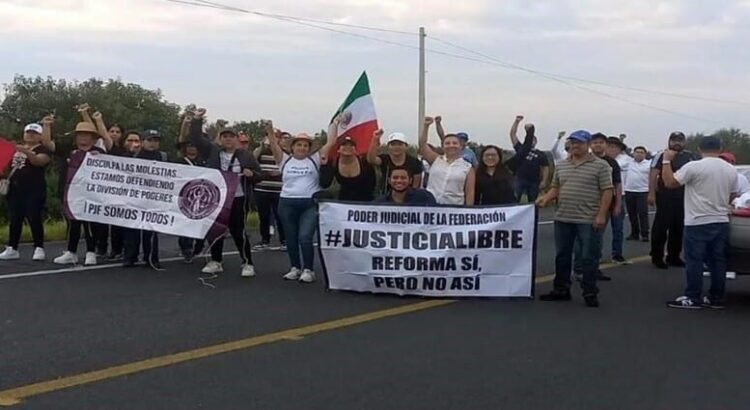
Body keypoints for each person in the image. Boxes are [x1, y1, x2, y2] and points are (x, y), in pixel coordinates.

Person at [536, 130, 614, 308]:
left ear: (587, 145)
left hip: (588, 218)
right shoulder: (562, 165)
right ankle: (561, 289)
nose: (575, 146)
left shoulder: (601, 165)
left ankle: (590, 292)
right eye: (573, 142)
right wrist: (545, 198)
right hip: (563, 216)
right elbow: (555, 187)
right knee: (562, 256)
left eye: (579, 142)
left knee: (588, 257)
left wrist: (601, 214)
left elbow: (607, 191)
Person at [661, 136, 738, 309]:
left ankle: (693, 296)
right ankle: (716, 297)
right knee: (717, 260)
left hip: (697, 220)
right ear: (721, 148)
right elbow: (732, 195)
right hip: (720, 219)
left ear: (699, 149)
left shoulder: (694, 166)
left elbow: (670, 182)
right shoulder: (730, 169)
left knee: (694, 259)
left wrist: (666, 161)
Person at [190, 109, 261, 278]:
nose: (228, 139)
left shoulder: (246, 155)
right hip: (217, 198)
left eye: (231, 136)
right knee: (215, 230)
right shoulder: (213, 151)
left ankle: (247, 262)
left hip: (237, 199)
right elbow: (195, 139)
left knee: (238, 231)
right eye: (224, 136)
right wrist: (197, 120)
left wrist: (252, 174)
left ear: (236, 139)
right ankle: (216, 261)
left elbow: (260, 175)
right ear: (220, 139)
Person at [266, 118, 336, 283]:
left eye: (305, 145)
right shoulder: (284, 160)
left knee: (305, 237)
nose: (302, 148)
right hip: (287, 203)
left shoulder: (315, 159)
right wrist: (269, 131)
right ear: (293, 147)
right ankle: (295, 267)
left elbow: (331, 142)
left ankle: (308, 270)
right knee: (291, 237)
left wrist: (335, 124)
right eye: (299, 144)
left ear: (309, 148)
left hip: (309, 204)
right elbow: (274, 145)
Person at [53, 121, 109, 266]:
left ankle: (91, 252)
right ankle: (71, 252)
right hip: (72, 193)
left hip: (91, 194)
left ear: (93, 138)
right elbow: (48, 144)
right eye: (80, 135)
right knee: (73, 223)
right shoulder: (71, 151)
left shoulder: (99, 153)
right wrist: (47, 125)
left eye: (87, 135)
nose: (83, 138)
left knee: (90, 223)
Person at [0, 120, 53, 261]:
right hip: (15, 188)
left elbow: (39, 161)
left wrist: (26, 152)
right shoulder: (16, 148)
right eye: (28, 132)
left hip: (34, 189)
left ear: (39, 136)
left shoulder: (42, 149)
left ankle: (39, 247)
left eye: (34, 133)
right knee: (15, 218)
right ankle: (12, 247)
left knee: (33, 217)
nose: (30, 135)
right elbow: (6, 165)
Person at [649, 132, 699, 269]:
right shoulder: (662, 155)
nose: (677, 143)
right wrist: (651, 193)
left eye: (680, 141)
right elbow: (653, 174)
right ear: (669, 141)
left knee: (678, 227)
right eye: (674, 140)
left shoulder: (691, 156)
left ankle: (673, 256)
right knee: (661, 226)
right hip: (665, 195)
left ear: (684, 142)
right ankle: (657, 256)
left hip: (684, 196)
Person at [122, 131, 166, 270]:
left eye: (155, 140)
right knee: (132, 229)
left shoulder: (162, 156)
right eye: (149, 140)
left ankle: (152, 258)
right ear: (142, 141)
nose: (152, 143)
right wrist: (130, 154)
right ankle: (130, 257)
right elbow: (121, 168)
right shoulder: (134, 154)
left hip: (153, 198)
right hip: (134, 196)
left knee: (151, 230)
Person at [419, 117, 475, 205]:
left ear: (461, 146)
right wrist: (426, 126)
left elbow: (470, 193)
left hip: (454, 209)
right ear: (442, 146)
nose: (451, 145)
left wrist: (468, 211)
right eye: (447, 143)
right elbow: (422, 145)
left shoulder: (468, 167)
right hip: (431, 206)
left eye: (455, 143)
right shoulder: (435, 160)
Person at [175, 137, 207, 263]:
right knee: (185, 224)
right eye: (189, 146)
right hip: (185, 196)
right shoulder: (180, 161)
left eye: (194, 146)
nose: (192, 148)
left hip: (202, 196)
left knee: (201, 223)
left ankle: (199, 246)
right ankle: (186, 248)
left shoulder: (203, 161)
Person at [253, 135, 287, 251]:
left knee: (280, 216)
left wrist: (278, 173)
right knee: (264, 217)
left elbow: (288, 167)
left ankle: (284, 240)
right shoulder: (260, 152)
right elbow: (252, 161)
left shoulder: (283, 153)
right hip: (262, 189)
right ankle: (265, 240)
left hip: (278, 190)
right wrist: (262, 146)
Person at [320, 136, 376, 202]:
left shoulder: (364, 162)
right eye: (344, 145)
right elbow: (324, 184)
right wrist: (324, 166)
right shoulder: (333, 163)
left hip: (364, 203)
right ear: (338, 149)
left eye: (351, 145)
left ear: (355, 149)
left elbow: (372, 184)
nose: (348, 147)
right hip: (343, 203)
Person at [509, 115, 550, 203]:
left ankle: (534, 217)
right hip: (519, 179)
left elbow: (546, 167)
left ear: (536, 142)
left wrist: (544, 181)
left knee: (533, 203)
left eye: (533, 140)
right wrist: (517, 121)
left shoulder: (541, 154)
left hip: (534, 181)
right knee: (514, 201)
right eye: (530, 139)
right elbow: (512, 134)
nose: (532, 141)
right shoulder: (520, 148)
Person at [606, 136, 631, 264]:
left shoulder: (623, 161)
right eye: (612, 147)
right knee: (597, 230)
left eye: (617, 148)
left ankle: (617, 254)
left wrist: (618, 203)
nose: (614, 150)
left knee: (618, 228)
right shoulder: (598, 160)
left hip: (619, 196)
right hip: (602, 198)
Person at [624, 146, 651, 241]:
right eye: (637, 152)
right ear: (633, 153)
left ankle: (645, 234)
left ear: (645, 154)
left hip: (643, 192)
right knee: (632, 214)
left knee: (642, 213)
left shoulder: (649, 164)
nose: (639, 154)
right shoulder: (629, 163)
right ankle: (634, 234)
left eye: (641, 152)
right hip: (629, 191)